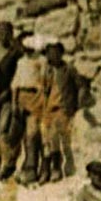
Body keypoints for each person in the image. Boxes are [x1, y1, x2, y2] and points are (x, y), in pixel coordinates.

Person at [0, 23, 24, 179]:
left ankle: (7, 164)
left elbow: (18, 76)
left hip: (8, 95)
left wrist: (8, 92)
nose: (4, 36)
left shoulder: (15, 53)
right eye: (1, 33)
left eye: (7, 33)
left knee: (3, 130)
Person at [38, 42, 80, 183]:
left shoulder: (68, 69)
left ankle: (56, 168)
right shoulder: (47, 71)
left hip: (62, 109)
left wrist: (76, 107)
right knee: (44, 137)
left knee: (54, 135)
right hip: (48, 109)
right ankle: (45, 169)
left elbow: (80, 86)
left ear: (61, 53)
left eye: (55, 52)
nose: (52, 56)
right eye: (49, 53)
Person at [11, 36, 47, 185]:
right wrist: (14, 102)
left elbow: (44, 82)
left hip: (35, 96)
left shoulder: (41, 60)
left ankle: (33, 169)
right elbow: (15, 84)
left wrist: (40, 100)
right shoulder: (21, 62)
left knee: (33, 133)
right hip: (22, 98)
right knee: (23, 135)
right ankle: (25, 166)